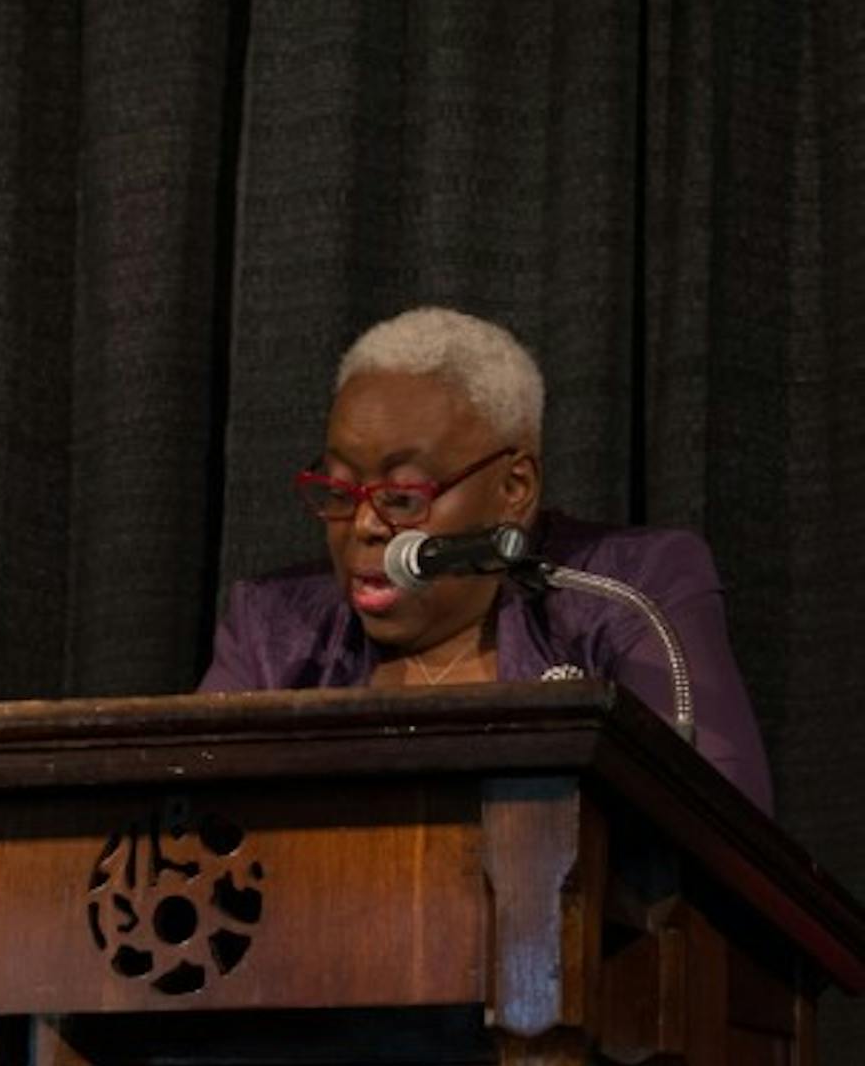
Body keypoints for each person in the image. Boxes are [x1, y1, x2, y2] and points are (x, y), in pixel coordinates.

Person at [200, 307, 773, 811]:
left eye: (403, 496)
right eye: (341, 491)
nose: (367, 526)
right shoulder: (274, 630)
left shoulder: (630, 592)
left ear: (514, 489)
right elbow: (178, 825)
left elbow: (724, 834)